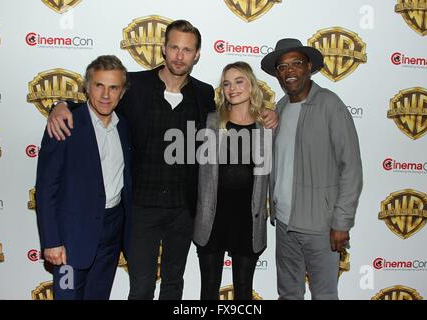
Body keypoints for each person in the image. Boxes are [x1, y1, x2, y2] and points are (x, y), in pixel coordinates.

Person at [46, 20, 277, 300]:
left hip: (184, 210)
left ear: (197, 55)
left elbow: (239, 114)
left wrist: (268, 111)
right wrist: (61, 106)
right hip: (141, 209)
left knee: (172, 285)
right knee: (141, 287)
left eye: (187, 50)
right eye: (174, 48)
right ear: (164, 49)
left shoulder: (204, 95)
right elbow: (100, 99)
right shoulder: (135, 86)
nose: (180, 56)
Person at [260, 39, 363, 300]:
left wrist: (341, 222)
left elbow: (351, 168)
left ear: (309, 67)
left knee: (324, 295)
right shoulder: (280, 108)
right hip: (284, 224)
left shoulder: (330, 105)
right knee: (288, 294)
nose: (290, 71)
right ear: (277, 74)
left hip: (320, 226)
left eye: (296, 64)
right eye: (282, 67)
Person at [35, 55, 132, 300]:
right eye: (99, 85)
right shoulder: (65, 124)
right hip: (70, 238)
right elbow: (46, 188)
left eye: (113, 87)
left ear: (122, 92)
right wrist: (52, 240)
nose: (105, 95)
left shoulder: (125, 127)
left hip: (111, 235)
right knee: (67, 296)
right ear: (87, 87)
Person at [193, 62, 271, 300]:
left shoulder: (267, 126)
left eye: (239, 81)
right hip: (212, 218)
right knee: (208, 290)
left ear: (251, 85)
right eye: (226, 83)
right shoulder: (209, 122)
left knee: (244, 291)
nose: (232, 88)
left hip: (248, 219)